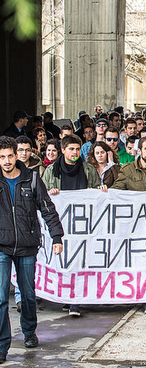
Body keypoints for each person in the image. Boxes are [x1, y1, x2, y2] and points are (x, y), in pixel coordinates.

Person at [0, 136, 64, 362]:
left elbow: (47, 209)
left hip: (27, 245)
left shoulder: (32, 179)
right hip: (2, 247)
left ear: (17, 155)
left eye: (10, 155)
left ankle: (28, 331)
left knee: (27, 294)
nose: (7, 161)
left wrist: (57, 236)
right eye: (2, 157)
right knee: (0, 298)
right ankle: (2, 345)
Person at [110, 137, 146, 316]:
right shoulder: (127, 170)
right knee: (135, 259)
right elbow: (117, 190)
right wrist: (106, 192)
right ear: (139, 150)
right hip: (133, 223)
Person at [42, 135, 100, 317]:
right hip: (61, 223)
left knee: (80, 261)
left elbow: (98, 195)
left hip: (83, 224)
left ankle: (75, 300)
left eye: (77, 149)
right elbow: (42, 197)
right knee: (64, 262)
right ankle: (66, 296)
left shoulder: (89, 170)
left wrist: (99, 192)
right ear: (63, 150)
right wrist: (51, 194)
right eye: (71, 149)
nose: (75, 153)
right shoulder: (51, 171)